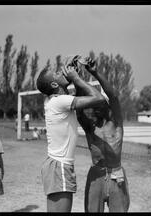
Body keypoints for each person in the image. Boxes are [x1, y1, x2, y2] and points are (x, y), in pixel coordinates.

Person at [36, 55, 106, 212]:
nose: (62, 71)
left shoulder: (54, 100)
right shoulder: (60, 102)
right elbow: (99, 98)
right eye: (57, 73)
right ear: (54, 83)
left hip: (55, 164)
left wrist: (73, 74)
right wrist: (76, 78)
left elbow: (67, 91)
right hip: (60, 166)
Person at [75, 58, 130, 212]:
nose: (95, 108)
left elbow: (114, 97)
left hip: (116, 175)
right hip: (96, 176)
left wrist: (95, 72)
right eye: (93, 105)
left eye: (99, 104)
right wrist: (77, 80)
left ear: (107, 106)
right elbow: (78, 110)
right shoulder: (90, 127)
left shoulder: (117, 124)